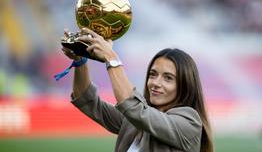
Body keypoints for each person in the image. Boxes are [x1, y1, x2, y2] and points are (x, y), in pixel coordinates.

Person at [61, 28, 214, 152]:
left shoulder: (189, 121)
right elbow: (87, 101)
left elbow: (136, 110)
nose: (156, 83)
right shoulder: (134, 119)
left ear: (185, 85)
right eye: (153, 74)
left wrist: (111, 59)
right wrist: (80, 59)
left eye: (168, 78)